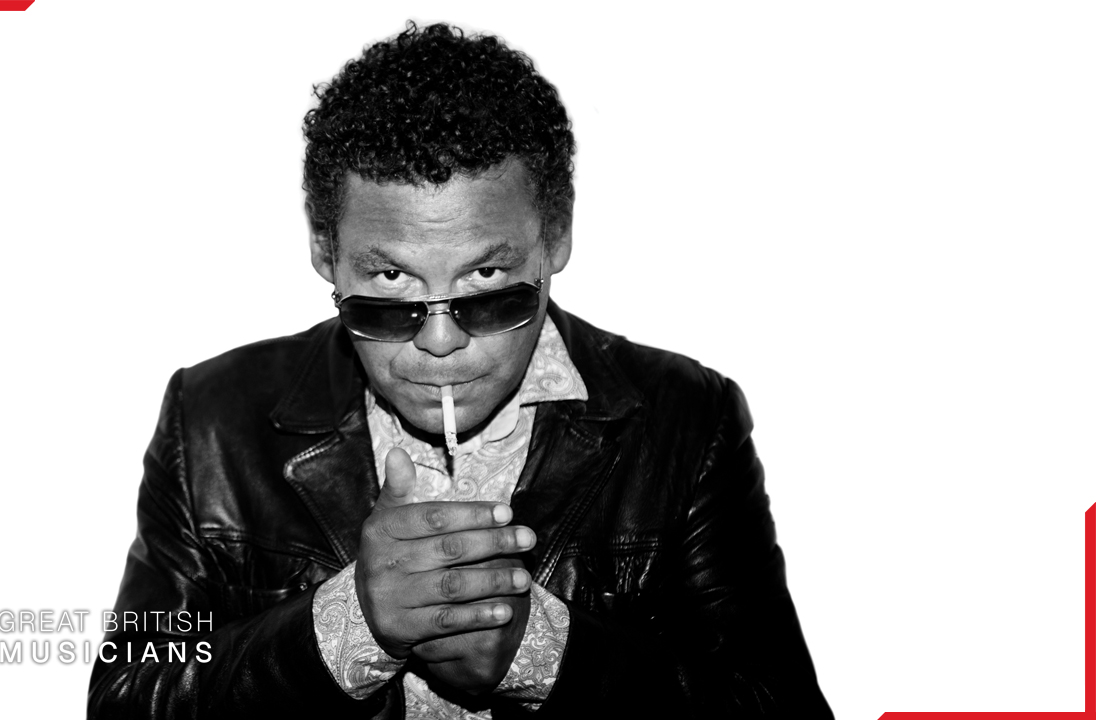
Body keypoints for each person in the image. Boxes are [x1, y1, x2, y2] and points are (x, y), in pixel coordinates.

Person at [88, 21, 832, 719]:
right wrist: (350, 625)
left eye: (487, 283)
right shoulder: (215, 421)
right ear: (324, 250)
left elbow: (777, 703)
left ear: (556, 238)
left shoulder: (684, 419)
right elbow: (127, 694)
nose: (440, 341)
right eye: (389, 285)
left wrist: (543, 652)